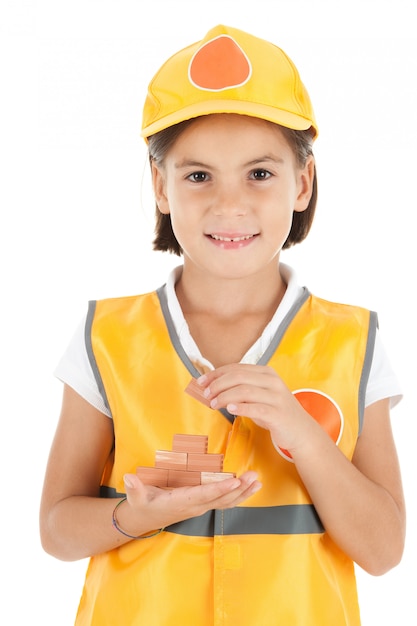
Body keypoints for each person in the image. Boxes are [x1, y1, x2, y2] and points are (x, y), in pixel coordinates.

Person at [39, 24, 406, 626]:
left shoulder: (352, 343)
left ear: (302, 183)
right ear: (161, 186)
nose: (229, 204)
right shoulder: (107, 338)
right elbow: (57, 530)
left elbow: (384, 551)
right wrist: (138, 516)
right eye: (198, 175)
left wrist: (304, 434)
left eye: (260, 174)